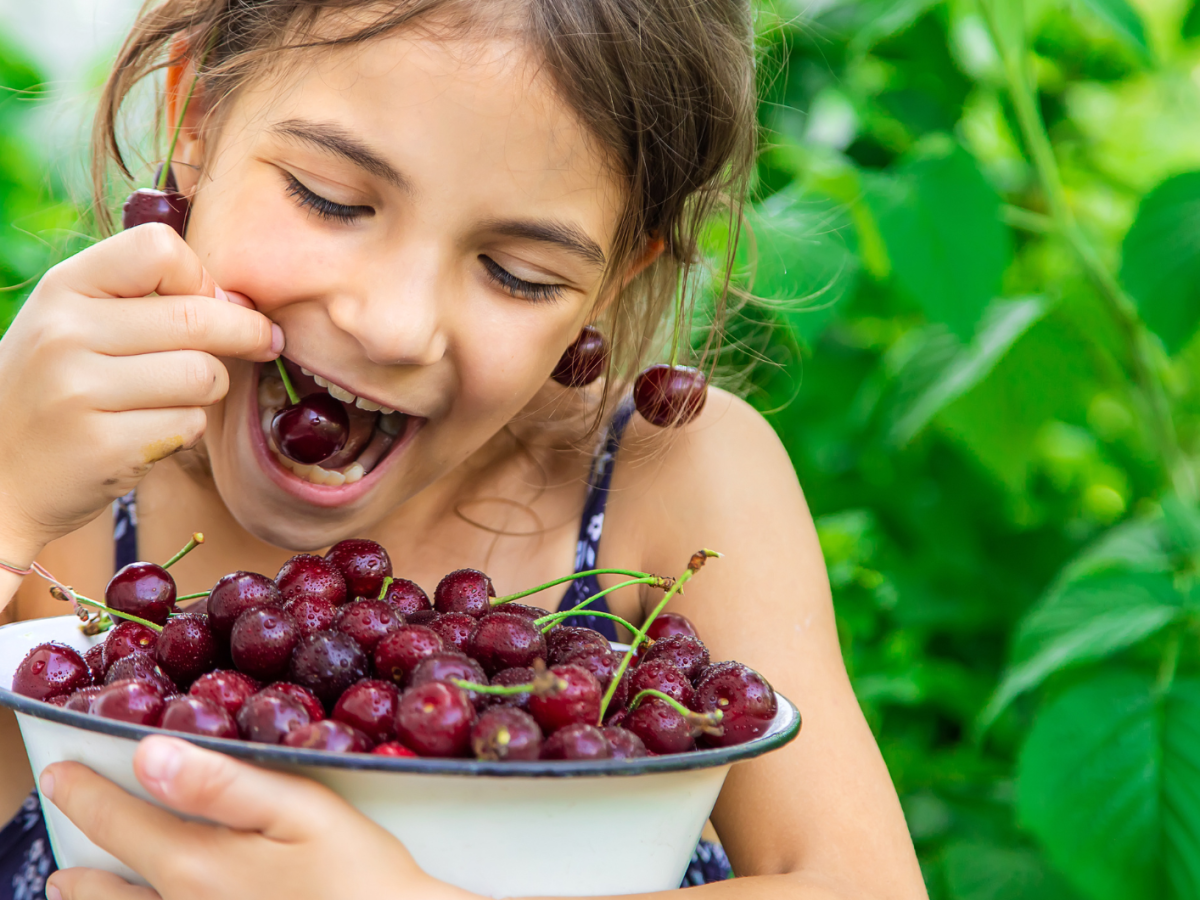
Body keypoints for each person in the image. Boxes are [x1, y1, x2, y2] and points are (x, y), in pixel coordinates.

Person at [0, 1, 926, 898]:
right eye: (332, 199)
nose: (396, 326)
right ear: (193, 116)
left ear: (609, 284)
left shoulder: (669, 480)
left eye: (516, 275)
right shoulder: (52, 509)